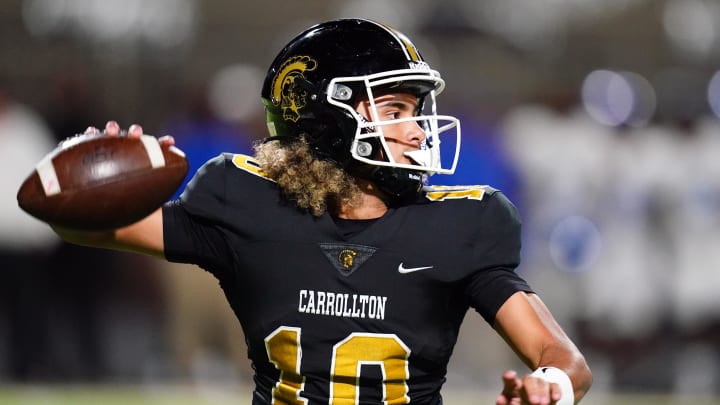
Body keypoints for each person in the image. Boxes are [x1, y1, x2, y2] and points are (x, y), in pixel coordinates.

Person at [49, 19, 591, 404]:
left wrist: (551, 383)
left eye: (416, 111)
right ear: (327, 118)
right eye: (396, 109)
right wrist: (85, 173)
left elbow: (563, 357)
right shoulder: (248, 204)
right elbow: (80, 224)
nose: (417, 128)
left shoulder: (458, 225)